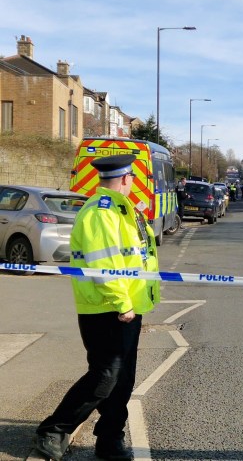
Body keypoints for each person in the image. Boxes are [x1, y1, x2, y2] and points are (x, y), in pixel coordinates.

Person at [34, 155, 161, 461]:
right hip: (106, 307)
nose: (134, 182)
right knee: (106, 376)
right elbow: (104, 264)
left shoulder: (123, 209)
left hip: (127, 306)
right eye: (133, 177)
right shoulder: (100, 212)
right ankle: (53, 429)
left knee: (122, 380)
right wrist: (122, 302)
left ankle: (109, 439)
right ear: (126, 178)